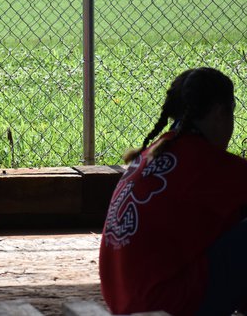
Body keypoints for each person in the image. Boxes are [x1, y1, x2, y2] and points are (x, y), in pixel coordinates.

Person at [99, 67, 247, 315]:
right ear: (221, 113)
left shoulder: (153, 153)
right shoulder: (207, 162)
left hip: (124, 303)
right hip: (165, 305)